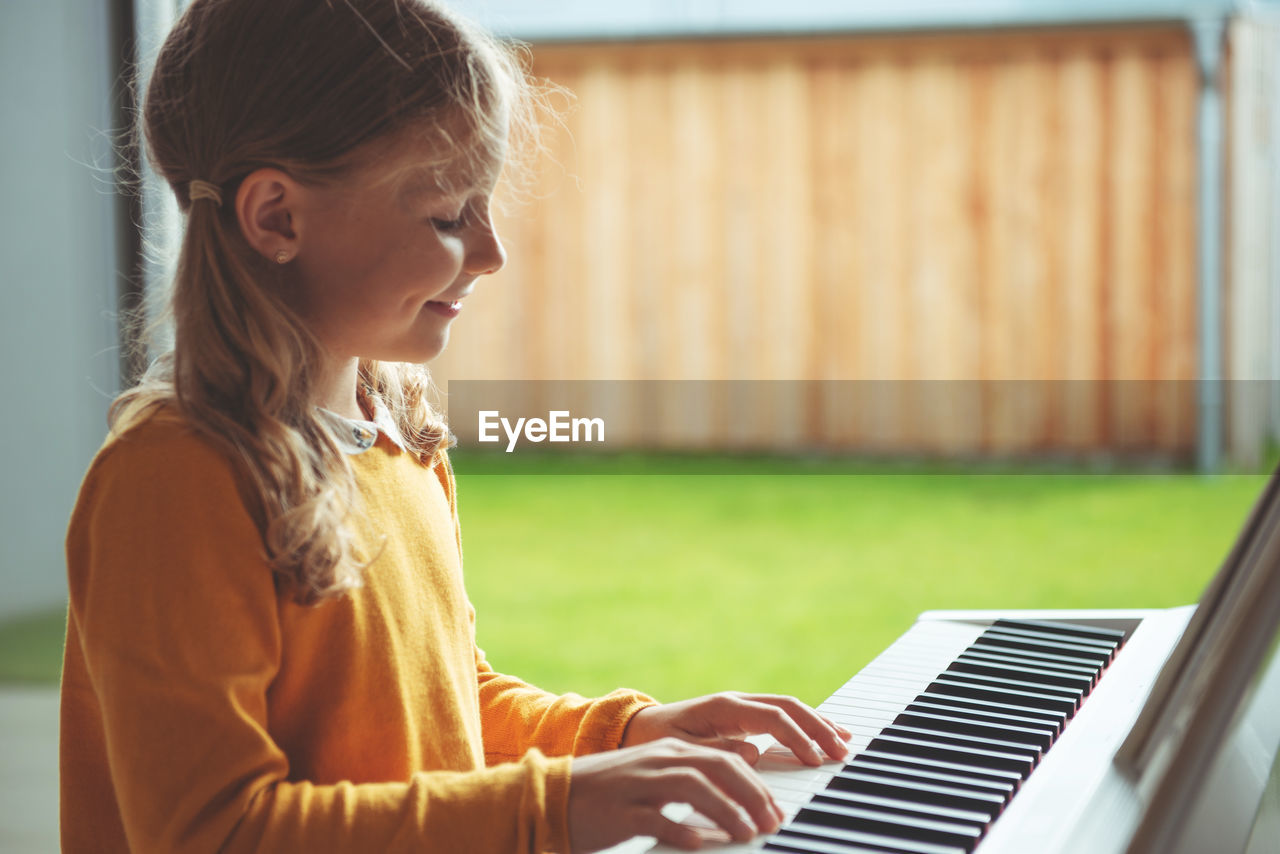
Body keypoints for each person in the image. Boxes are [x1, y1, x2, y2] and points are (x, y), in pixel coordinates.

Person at [59, 1, 851, 851]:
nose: (491, 251)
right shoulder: (176, 479)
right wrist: (551, 807)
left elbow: (448, 707)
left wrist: (618, 736)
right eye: (447, 215)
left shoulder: (397, 435)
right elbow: (211, 831)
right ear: (277, 219)